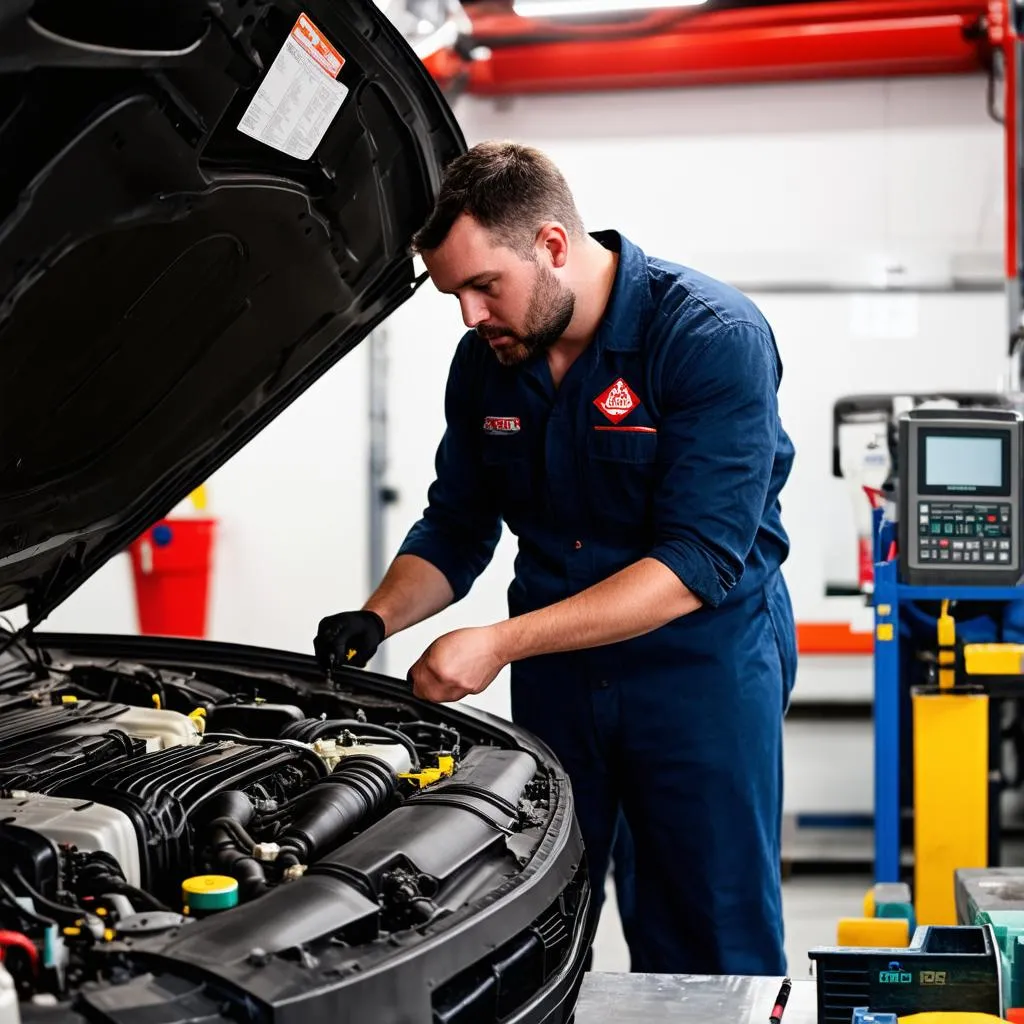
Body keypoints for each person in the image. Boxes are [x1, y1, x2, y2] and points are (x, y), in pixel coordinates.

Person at [314, 140, 797, 976]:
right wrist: (379, 613)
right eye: (452, 294)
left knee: (708, 934)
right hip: (560, 685)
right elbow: (459, 523)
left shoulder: (710, 337)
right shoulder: (487, 365)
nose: (469, 316)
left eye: (482, 286)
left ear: (552, 245)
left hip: (698, 676)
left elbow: (694, 562)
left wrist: (496, 643)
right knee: (531, 923)